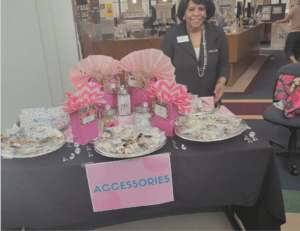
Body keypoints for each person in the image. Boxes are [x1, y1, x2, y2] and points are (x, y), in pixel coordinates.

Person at [160, 0, 230, 103]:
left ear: (206, 11)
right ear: (184, 12)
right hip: (180, 101)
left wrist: (221, 82)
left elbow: (224, 64)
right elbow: (163, 69)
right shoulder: (172, 35)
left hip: (210, 99)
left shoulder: (217, 33)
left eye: (201, 9)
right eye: (191, 9)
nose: (196, 13)